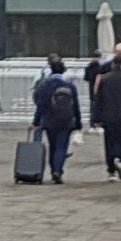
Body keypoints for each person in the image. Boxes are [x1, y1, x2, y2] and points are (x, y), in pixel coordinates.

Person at [32, 54, 81, 183]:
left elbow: (40, 105)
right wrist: (78, 123)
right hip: (66, 120)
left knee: (52, 145)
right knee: (61, 146)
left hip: (49, 120)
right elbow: (76, 106)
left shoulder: (44, 86)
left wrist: (36, 121)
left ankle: (53, 169)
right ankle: (57, 170)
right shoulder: (70, 85)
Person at [94, 44, 121, 181]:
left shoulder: (105, 79)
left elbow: (98, 99)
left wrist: (96, 118)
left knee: (109, 142)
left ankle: (111, 170)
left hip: (108, 116)